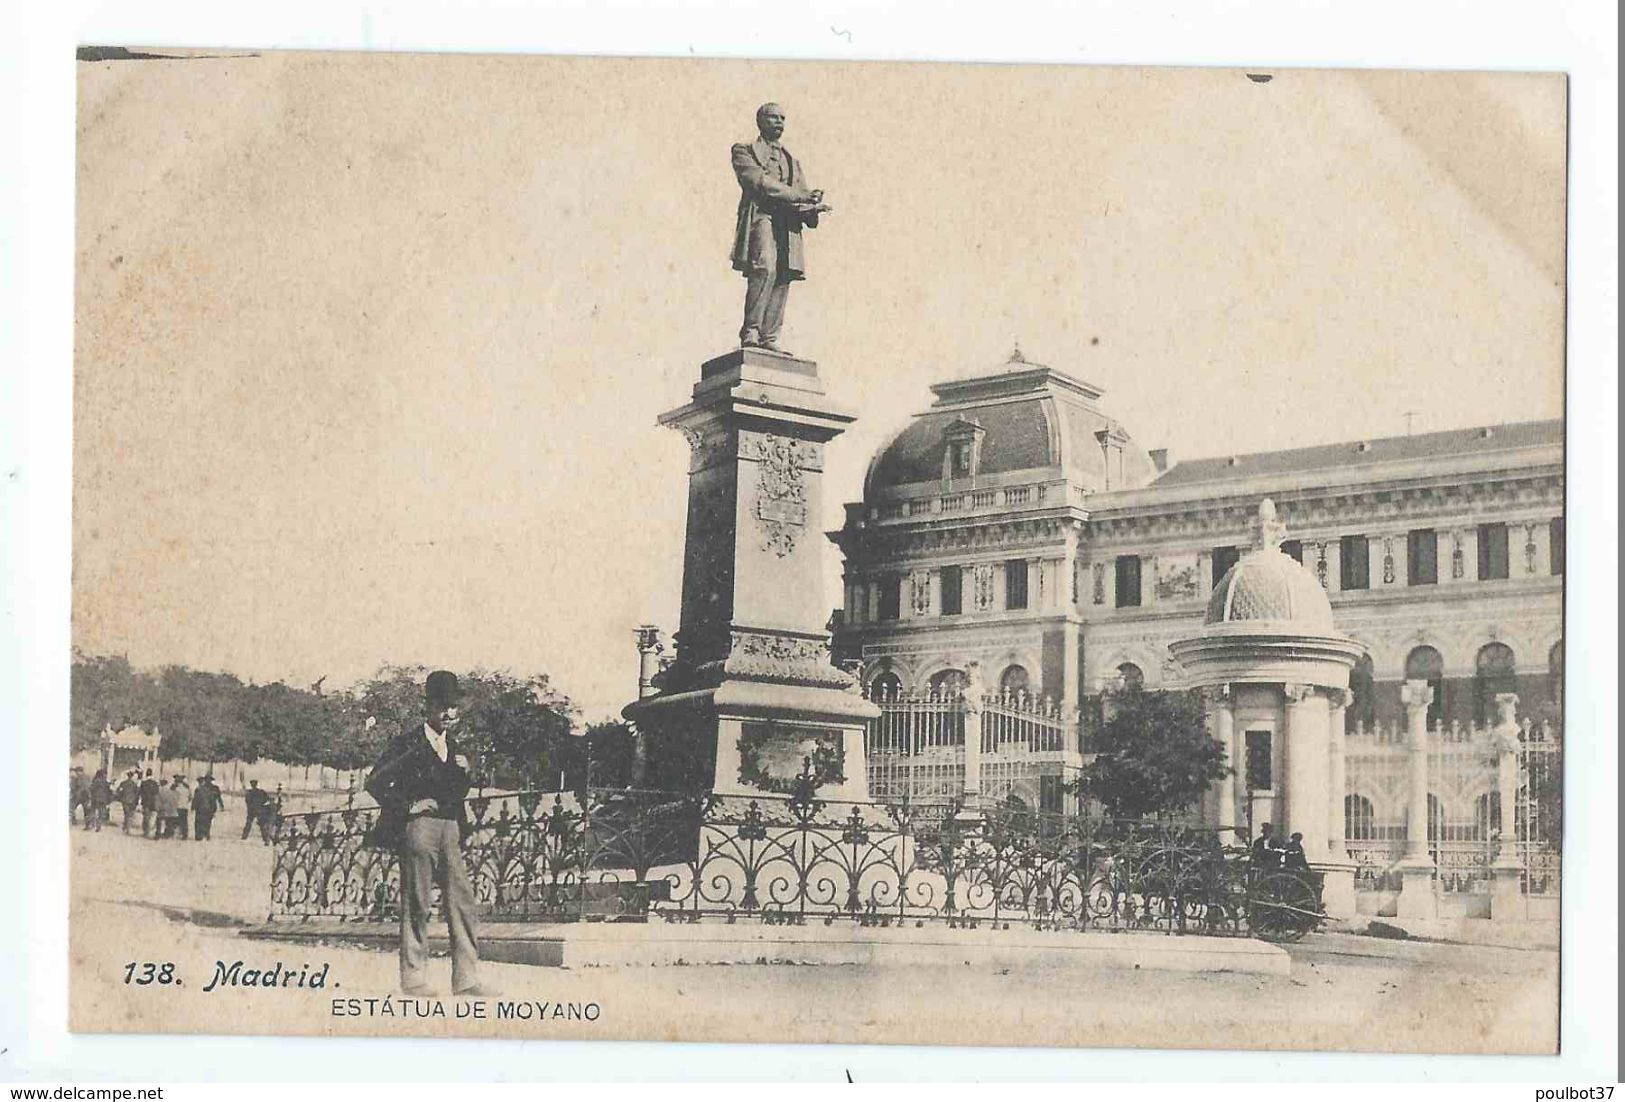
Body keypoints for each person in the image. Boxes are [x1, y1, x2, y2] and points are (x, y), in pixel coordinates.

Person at [364, 670, 492, 997]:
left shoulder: (458, 748)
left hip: (451, 828)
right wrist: (408, 806)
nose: (449, 713)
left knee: (461, 901)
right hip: (418, 828)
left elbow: (457, 790)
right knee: (417, 902)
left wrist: (465, 771)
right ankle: (414, 978)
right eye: (442, 706)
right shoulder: (407, 744)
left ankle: (465, 979)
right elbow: (375, 781)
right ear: (428, 707)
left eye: (454, 707)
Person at [730, 102, 829, 352]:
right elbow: (759, 182)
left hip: (787, 224)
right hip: (761, 216)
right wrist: (800, 196)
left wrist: (812, 206)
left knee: (784, 275)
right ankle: (751, 330)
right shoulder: (744, 151)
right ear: (760, 121)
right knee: (764, 267)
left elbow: (801, 198)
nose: (779, 123)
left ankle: (769, 337)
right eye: (774, 118)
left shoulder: (792, 161)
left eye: (783, 118)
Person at [192, 774, 225, 841]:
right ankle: (203, 834)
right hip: (207, 807)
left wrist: (221, 805)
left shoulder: (212, 788)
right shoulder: (204, 788)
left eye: (209, 780)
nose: (208, 781)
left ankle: (202, 834)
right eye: (207, 780)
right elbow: (196, 798)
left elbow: (218, 798)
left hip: (208, 807)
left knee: (204, 821)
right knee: (204, 821)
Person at [138, 769, 159, 837]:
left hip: (145, 803)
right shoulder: (155, 783)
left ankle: (145, 831)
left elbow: (140, 793)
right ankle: (150, 831)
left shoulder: (143, 783)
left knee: (145, 817)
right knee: (151, 818)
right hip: (153, 803)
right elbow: (156, 793)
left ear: (146, 774)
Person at [171, 775, 191, 839]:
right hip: (185, 807)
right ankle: (184, 835)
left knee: (176, 821)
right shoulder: (187, 788)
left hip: (177, 806)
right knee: (184, 821)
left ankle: (176, 834)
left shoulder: (175, 788)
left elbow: (172, 797)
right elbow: (190, 797)